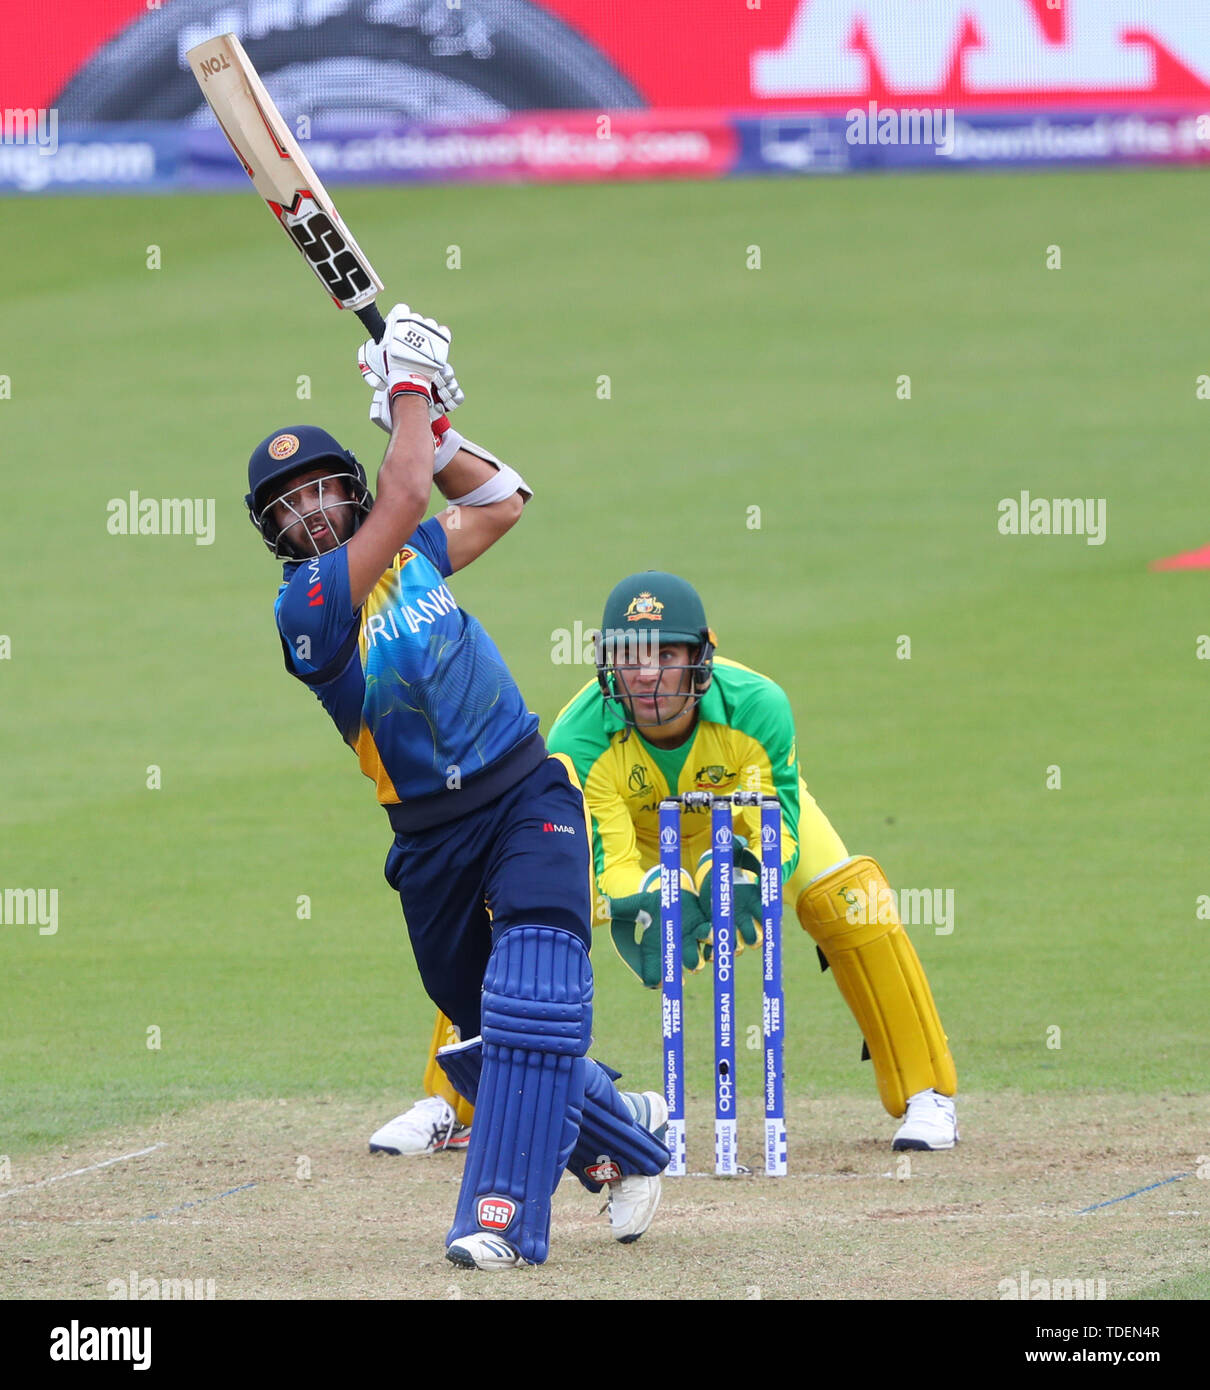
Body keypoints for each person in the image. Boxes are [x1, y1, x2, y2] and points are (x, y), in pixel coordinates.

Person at [247, 304, 668, 1270]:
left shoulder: (413, 557)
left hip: (526, 792)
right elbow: (398, 505)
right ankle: (633, 1135)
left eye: (322, 492)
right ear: (272, 533)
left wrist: (435, 430)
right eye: (288, 506)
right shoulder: (307, 608)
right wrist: (403, 388)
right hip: (430, 840)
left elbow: (504, 498)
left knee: (532, 1000)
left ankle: (501, 1224)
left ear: (347, 490)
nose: (310, 512)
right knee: (487, 1041)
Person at [378, 571, 958, 1155]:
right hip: (634, 837)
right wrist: (653, 896)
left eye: (666, 654)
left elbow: (772, 828)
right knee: (511, 913)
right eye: (629, 656)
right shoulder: (579, 734)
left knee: (847, 896)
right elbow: (610, 859)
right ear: (607, 662)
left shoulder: (758, 706)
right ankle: (453, 1101)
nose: (648, 673)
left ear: (701, 652)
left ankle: (927, 1093)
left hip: (736, 826)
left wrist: (744, 876)